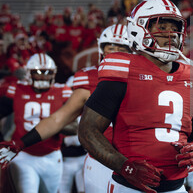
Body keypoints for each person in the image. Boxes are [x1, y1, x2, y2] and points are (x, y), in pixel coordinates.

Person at [78, 0, 193, 193]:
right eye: (161, 27)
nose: (171, 35)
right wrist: (125, 166)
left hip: (177, 188)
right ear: (137, 29)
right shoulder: (123, 69)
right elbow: (87, 130)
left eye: (175, 28)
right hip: (130, 187)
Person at [0, 25, 131, 192]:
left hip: (135, 157)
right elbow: (58, 118)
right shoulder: (88, 79)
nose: (115, 52)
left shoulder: (145, 79)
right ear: (101, 48)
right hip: (101, 159)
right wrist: (20, 143)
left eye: (122, 48)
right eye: (111, 46)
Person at [0, 53, 72, 193]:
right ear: (28, 73)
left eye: (47, 73)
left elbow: (74, 127)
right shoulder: (17, 89)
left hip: (52, 155)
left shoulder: (62, 91)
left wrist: (55, 125)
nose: (43, 77)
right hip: (24, 155)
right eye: (38, 73)